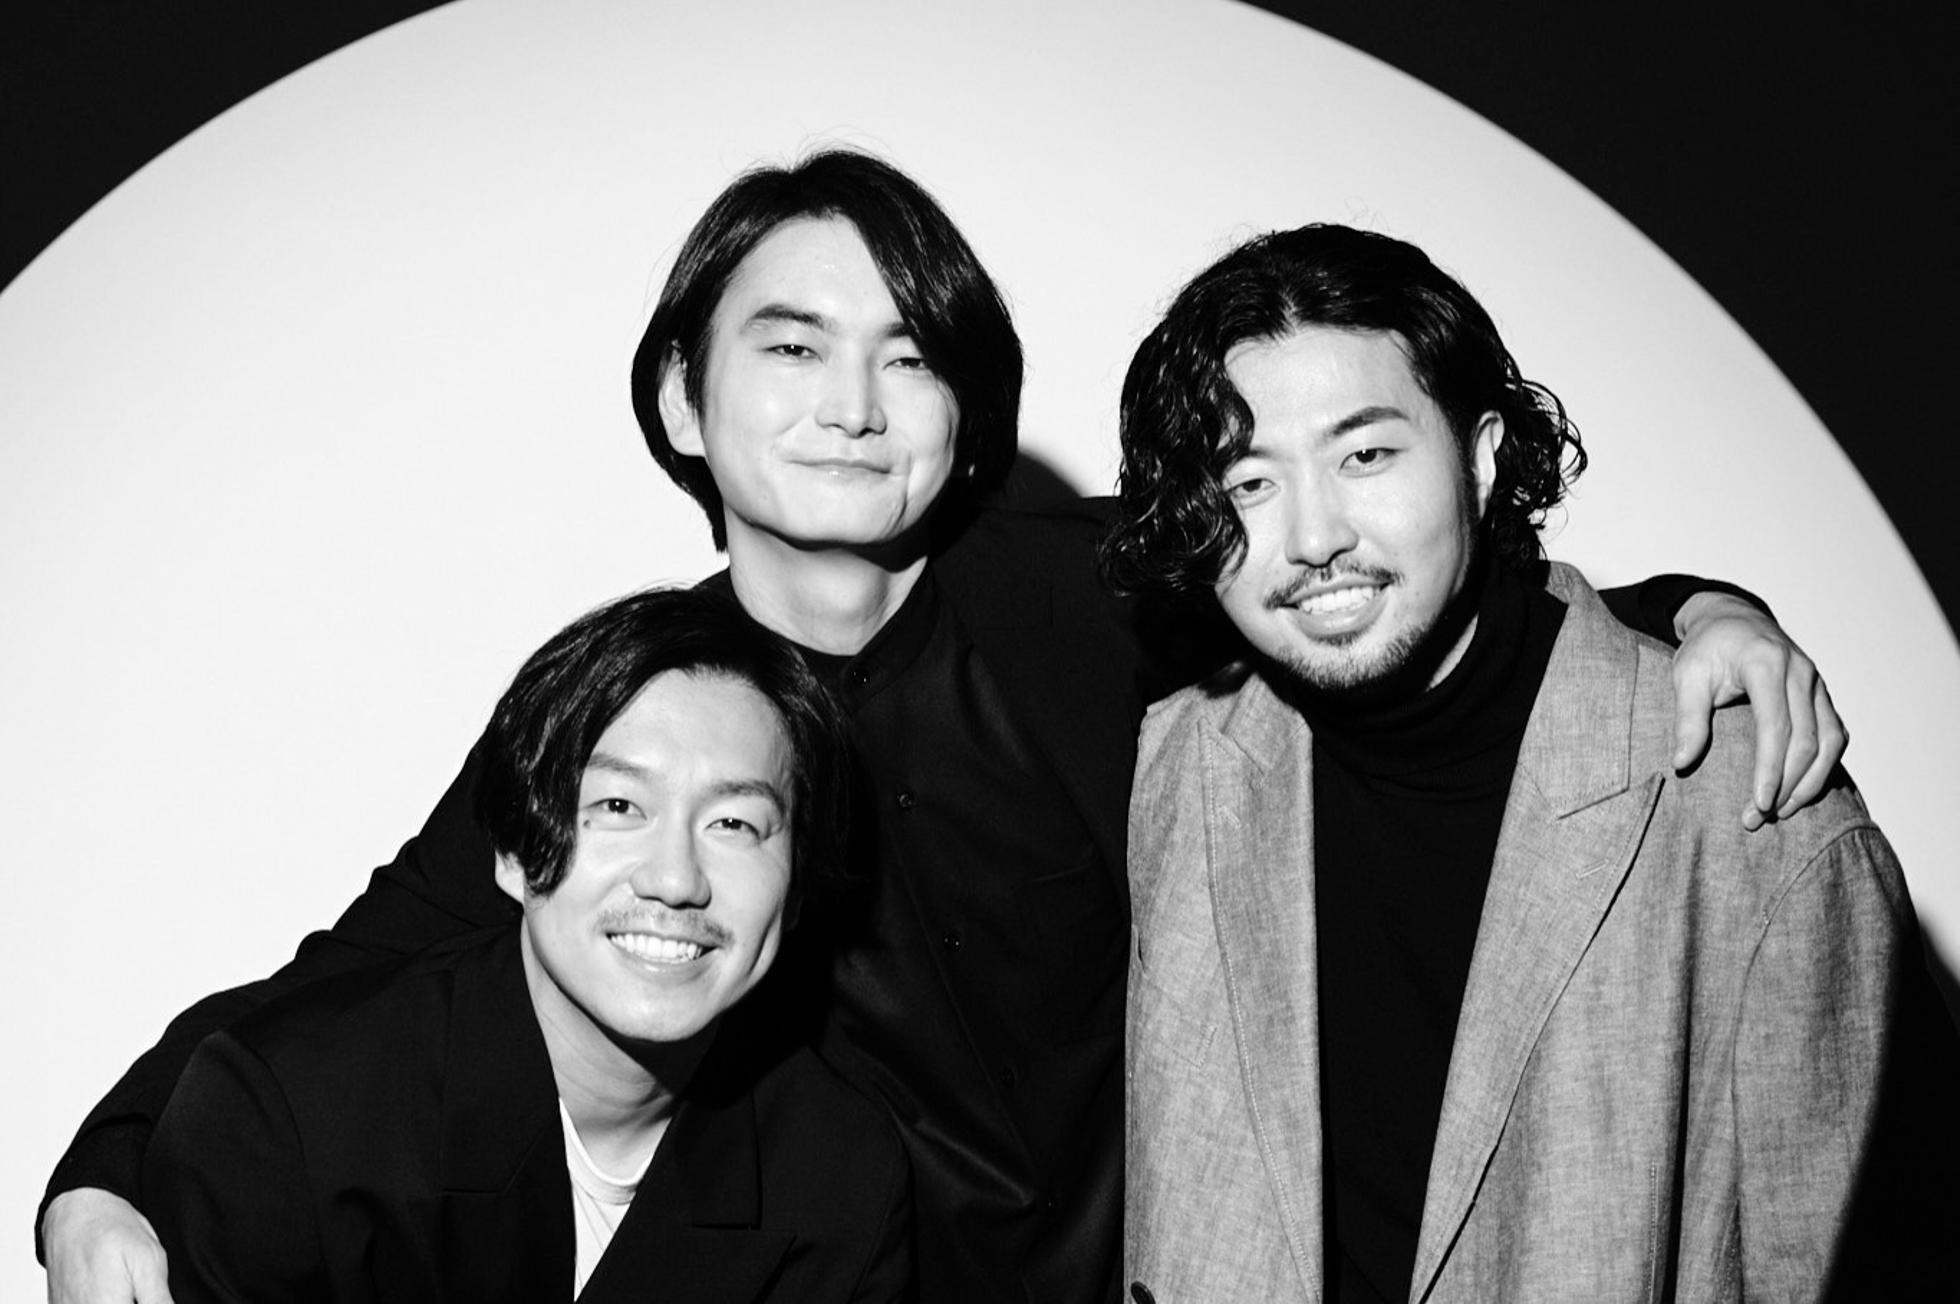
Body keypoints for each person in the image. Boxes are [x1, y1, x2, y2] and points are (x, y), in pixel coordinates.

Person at [41, 151, 1847, 1304]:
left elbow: (1373, 581)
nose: (853, 402)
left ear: (966, 411)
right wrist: (106, 1181)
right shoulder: (649, 717)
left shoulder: (1094, 595)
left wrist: (1693, 611)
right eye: (791, 348)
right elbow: (359, 972)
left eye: (908, 355)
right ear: (683, 397)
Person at [1108, 223, 1948, 1302]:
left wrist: (1707, 611)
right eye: (1249, 482)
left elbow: (1870, 1243)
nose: (1313, 535)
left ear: (1481, 456)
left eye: (1365, 456)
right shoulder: (1185, 755)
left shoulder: (1737, 789)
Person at [139, 588, 910, 1302]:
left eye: (734, 824)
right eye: (619, 806)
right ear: (512, 852)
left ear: (796, 886)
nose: (676, 880)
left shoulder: (842, 1177)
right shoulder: (291, 1118)